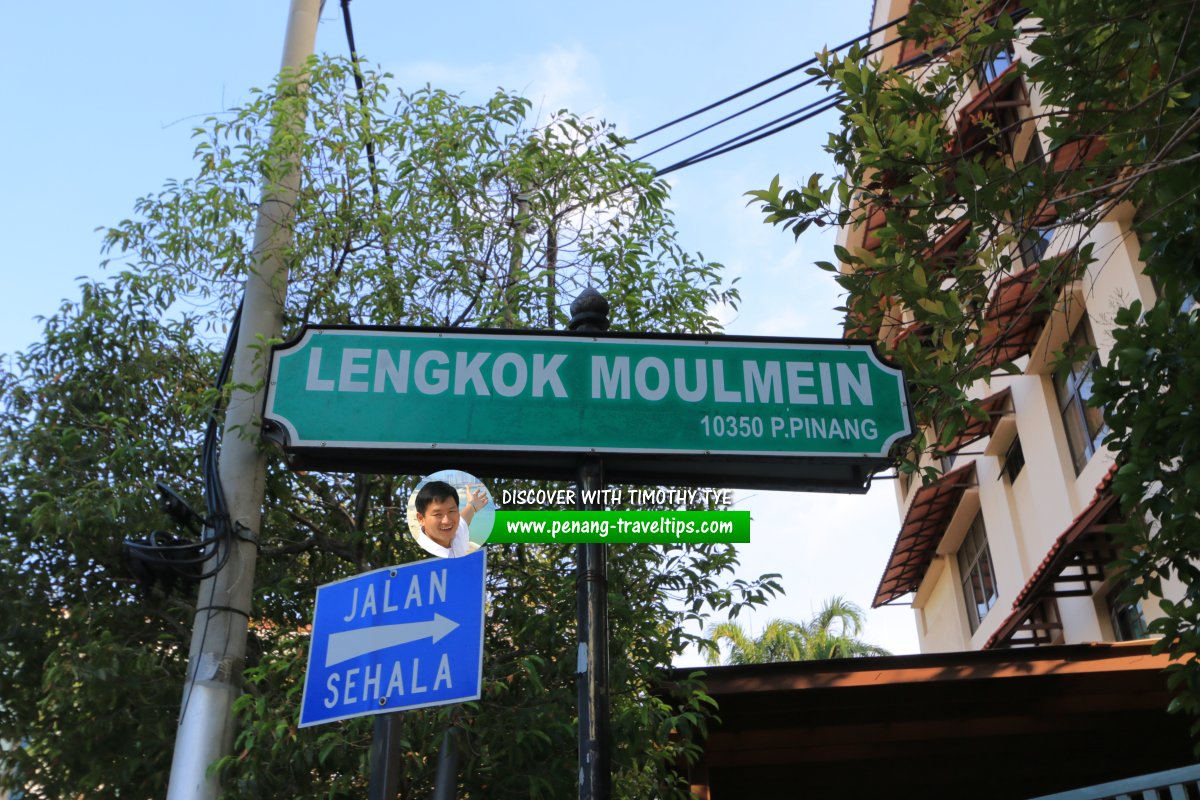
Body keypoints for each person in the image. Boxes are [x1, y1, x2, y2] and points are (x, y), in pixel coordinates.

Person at [413, 480, 489, 558]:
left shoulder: (456, 532)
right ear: (421, 519)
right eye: (438, 514)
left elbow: (464, 518)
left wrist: (473, 505)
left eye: (451, 511)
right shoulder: (420, 556)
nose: (447, 521)